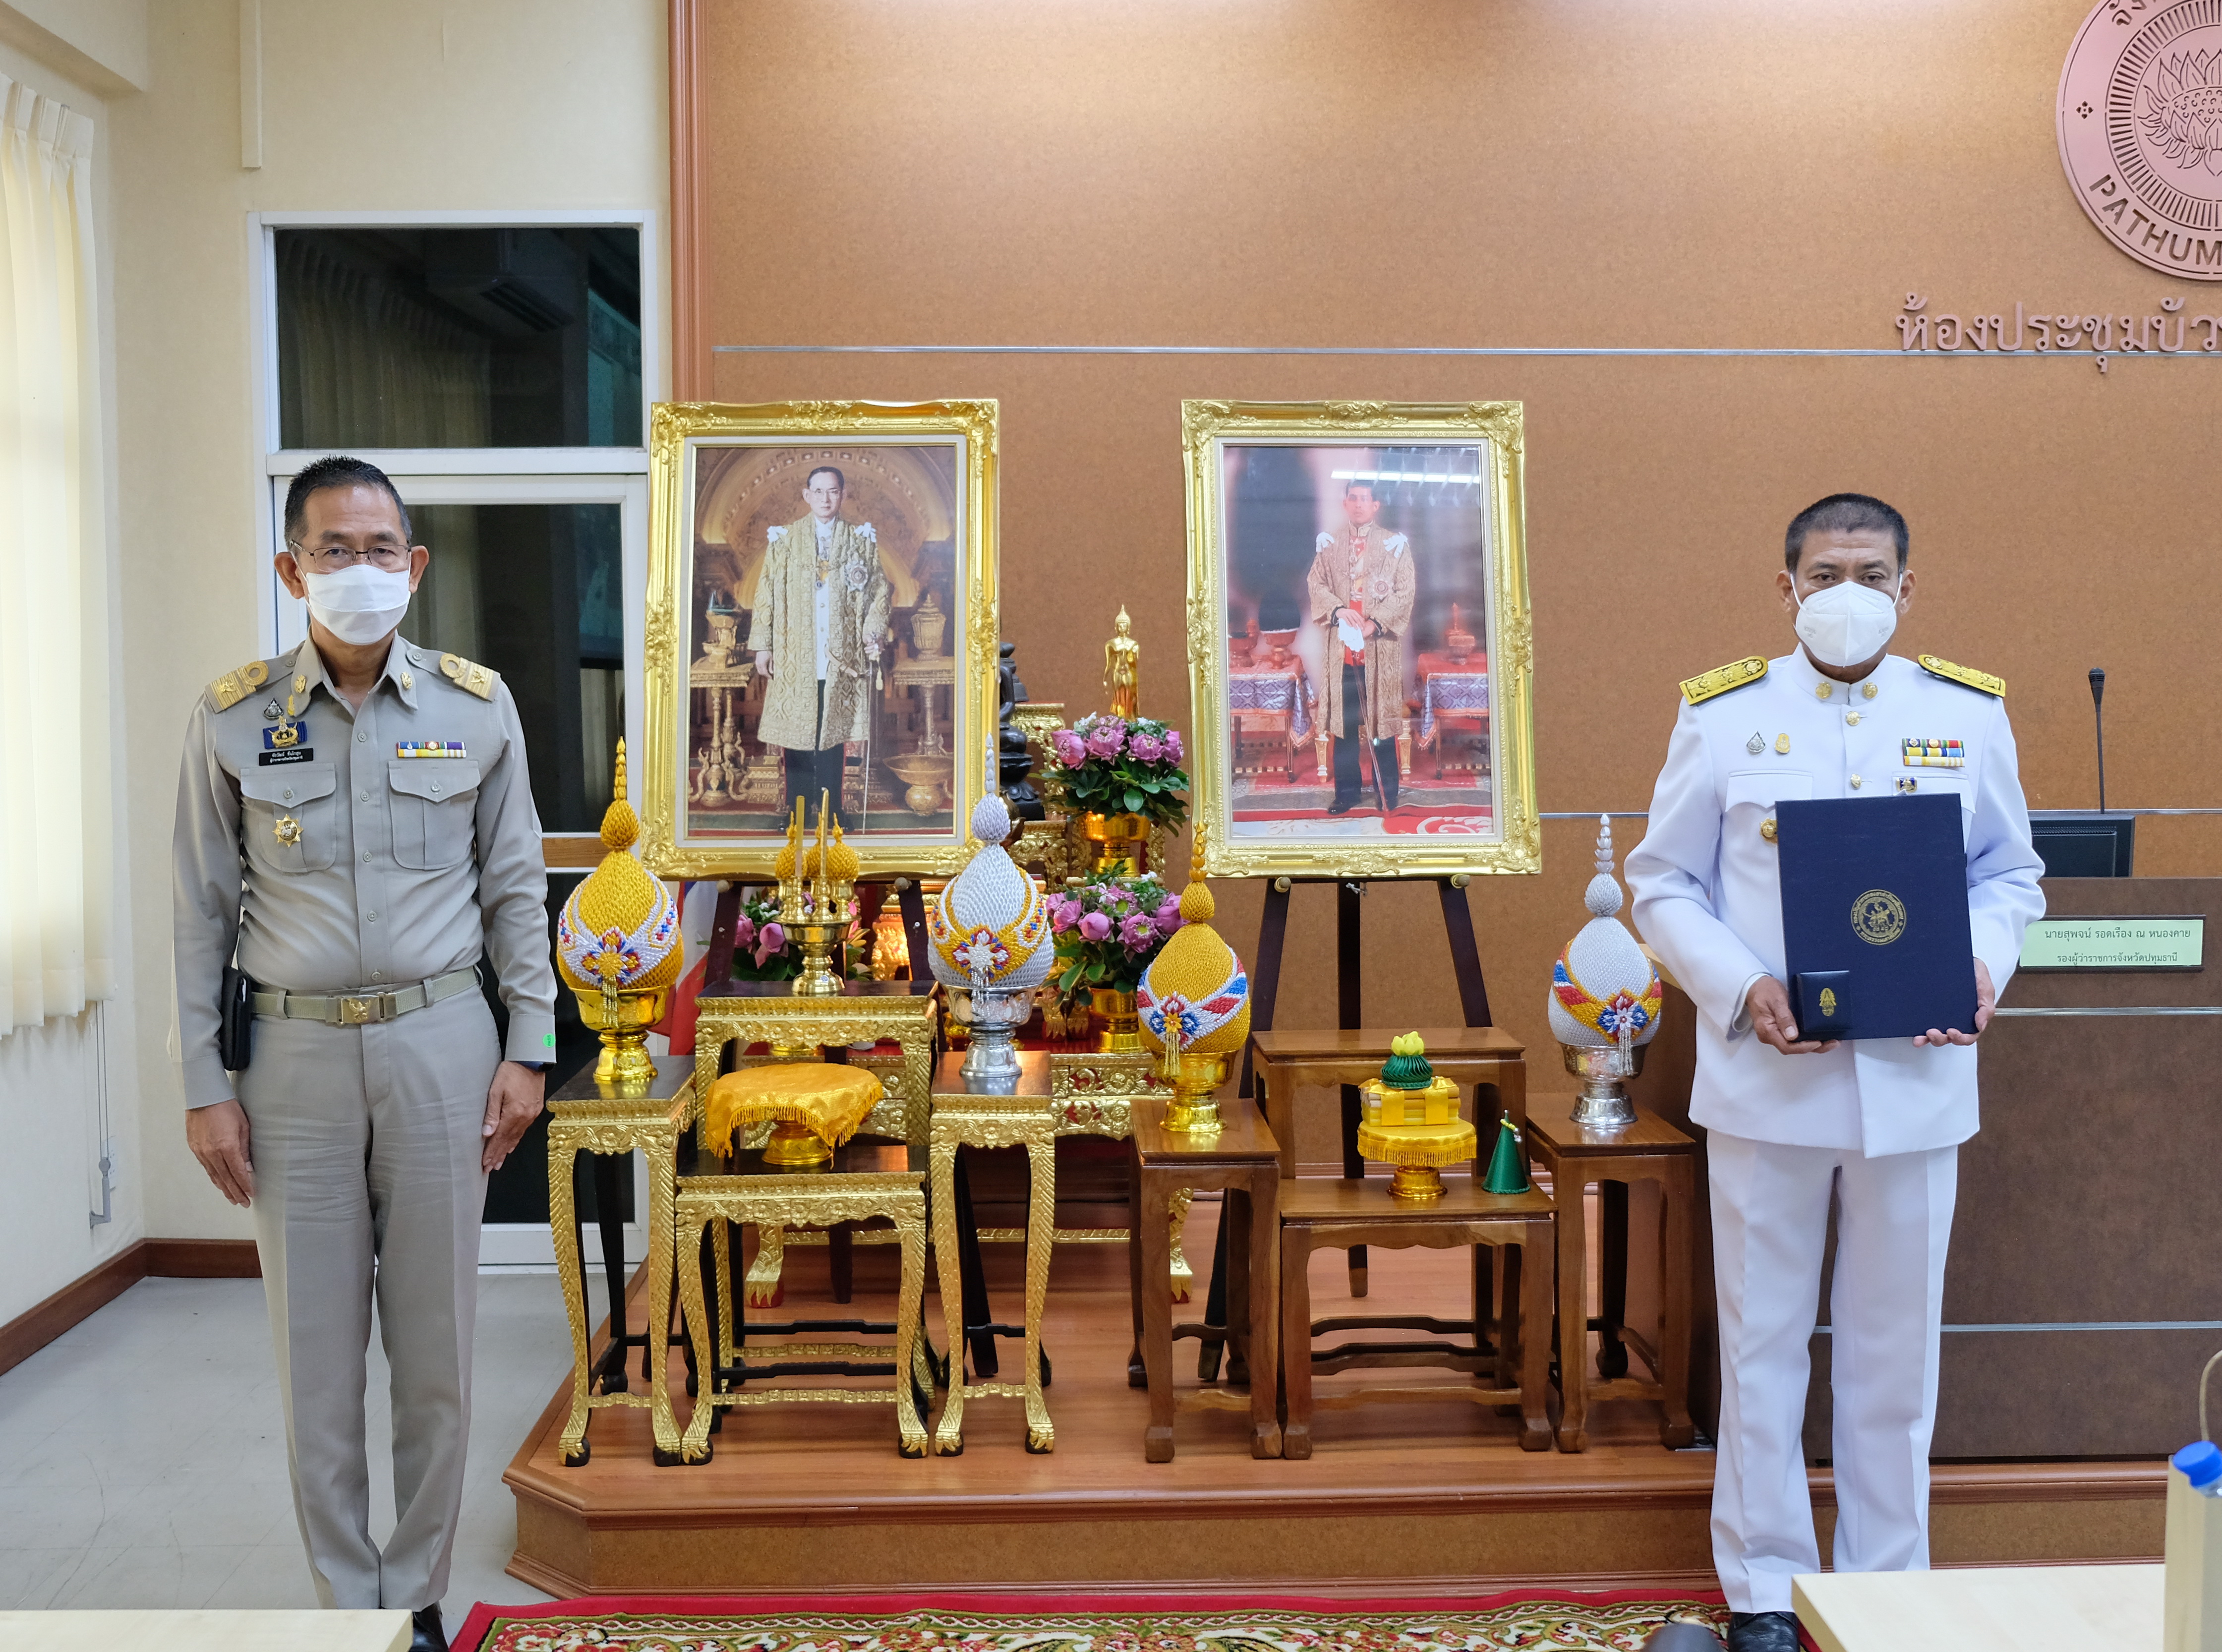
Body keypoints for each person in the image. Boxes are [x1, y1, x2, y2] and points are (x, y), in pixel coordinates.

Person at [1625, 493, 2044, 1652]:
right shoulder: (1723, 716)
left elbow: (2011, 874)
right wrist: (1738, 985)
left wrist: (1981, 963)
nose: (1846, 593)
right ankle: (1765, 1591)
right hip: (1772, 1083)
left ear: (1907, 589)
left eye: (1869, 573)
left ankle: (1882, 1595)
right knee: (1760, 1347)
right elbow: (1664, 881)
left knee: (1893, 1357)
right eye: (1823, 575)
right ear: (1787, 589)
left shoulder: (1965, 714)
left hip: (1915, 1078)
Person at [173, 456, 554, 1652]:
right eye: (333, 550)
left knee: (437, 1355)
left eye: (382, 548)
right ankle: (351, 1610)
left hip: (444, 1046)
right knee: (318, 1362)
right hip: (290, 1065)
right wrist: (203, 1086)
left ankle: (417, 1591)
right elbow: (199, 912)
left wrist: (531, 1045)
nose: (361, 569)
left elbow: (516, 887)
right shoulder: (234, 717)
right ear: (293, 571)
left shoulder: (474, 707)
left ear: (415, 565)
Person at [749, 465, 893, 823]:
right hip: (795, 653)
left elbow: (879, 592)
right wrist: (763, 645)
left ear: (842, 495)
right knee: (797, 735)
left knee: (832, 735)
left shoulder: (860, 540)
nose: (826, 499)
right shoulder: (784, 541)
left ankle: (832, 810)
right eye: (819, 491)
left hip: (840, 655)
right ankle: (796, 811)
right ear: (807, 495)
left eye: (833, 491)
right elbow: (765, 594)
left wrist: (872, 632)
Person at [1304, 478, 1413, 815]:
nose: (1359, 504)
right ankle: (1347, 793)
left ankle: (1386, 792)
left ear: (1376, 505)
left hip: (1379, 648)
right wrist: (1338, 611)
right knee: (1345, 726)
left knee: (1382, 724)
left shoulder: (1395, 545)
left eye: (1365, 499)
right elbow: (1316, 583)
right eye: (1353, 498)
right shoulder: (1330, 543)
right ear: (1345, 503)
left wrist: (1373, 623)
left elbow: (1405, 591)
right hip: (1342, 651)